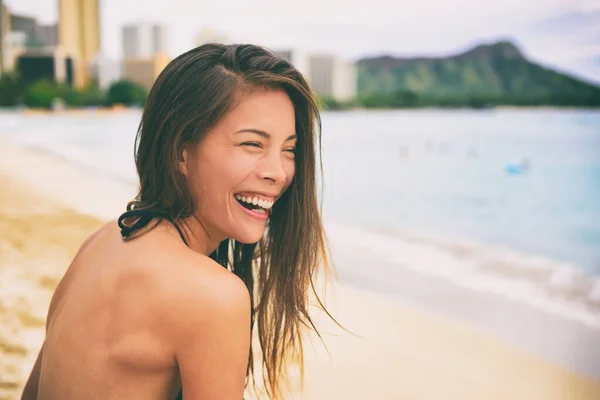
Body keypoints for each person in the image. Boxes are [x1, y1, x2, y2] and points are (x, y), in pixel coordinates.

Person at [21, 43, 333, 400]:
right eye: (251, 144)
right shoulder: (213, 295)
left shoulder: (103, 241)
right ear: (181, 151)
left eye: (289, 149)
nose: (278, 173)